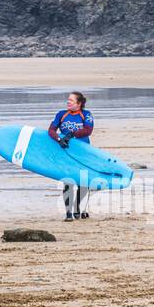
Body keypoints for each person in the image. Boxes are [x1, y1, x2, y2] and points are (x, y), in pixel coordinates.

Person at [49, 91, 94, 220]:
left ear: (79, 104)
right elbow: (51, 130)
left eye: (71, 100)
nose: (68, 102)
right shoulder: (61, 114)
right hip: (66, 153)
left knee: (83, 183)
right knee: (68, 182)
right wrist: (59, 139)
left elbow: (88, 130)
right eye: (68, 100)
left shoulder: (86, 114)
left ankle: (77, 208)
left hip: (83, 153)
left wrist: (71, 134)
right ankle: (68, 213)